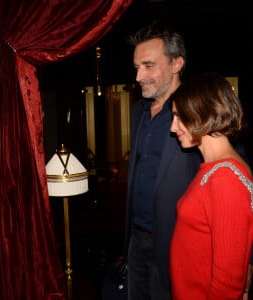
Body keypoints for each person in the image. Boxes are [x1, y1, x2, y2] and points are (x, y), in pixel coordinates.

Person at [124, 20, 202, 300]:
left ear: (176, 64)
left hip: (176, 243)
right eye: (136, 67)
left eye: (148, 66)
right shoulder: (138, 112)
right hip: (135, 241)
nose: (138, 77)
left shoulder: (198, 110)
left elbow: (236, 173)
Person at [169, 72, 253, 299]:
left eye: (179, 116)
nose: (173, 127)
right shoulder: (214, 167)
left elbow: (227, 283)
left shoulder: (226, 178)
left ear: (201, 114)